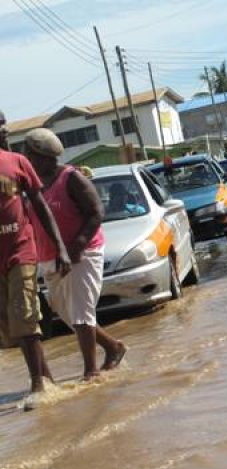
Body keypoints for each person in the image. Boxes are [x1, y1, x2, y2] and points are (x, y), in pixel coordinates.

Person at [25, 128, 127, 380]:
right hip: (50, 257)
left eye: (31, 155)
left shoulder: (71, 178)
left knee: (81, 312)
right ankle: (113, 347)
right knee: (67, 313)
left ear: (46, 156)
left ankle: (90, 372)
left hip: (83, 252)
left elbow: (96, 212)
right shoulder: (31, 185)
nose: (28, 160)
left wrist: (76, 246)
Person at [0, 113, 71, 401]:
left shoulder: (18, 163)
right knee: (11, 330)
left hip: (21, 251)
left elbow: (40, 205)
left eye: (4, 127)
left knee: (25, 317)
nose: (3, 132)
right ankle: (48, 379)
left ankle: (38, 388)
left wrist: (60, 247)